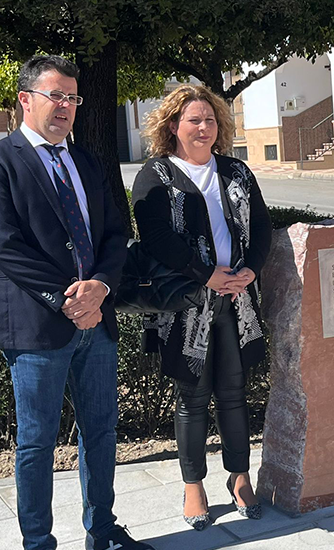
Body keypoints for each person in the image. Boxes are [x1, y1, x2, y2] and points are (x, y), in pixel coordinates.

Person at [0, 55, 150, 550]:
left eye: (73, 97)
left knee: (101, 432)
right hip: (36, 326)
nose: (66, 106)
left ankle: (104, 532)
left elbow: (115, 231)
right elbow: (3, 245)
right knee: (36, 443)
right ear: (26, 100)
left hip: (98, 320)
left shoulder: (86, 160)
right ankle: (37, 542)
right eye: (56, 95)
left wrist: (102, 287)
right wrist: (66, 298)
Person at [133, 84, 273, 528]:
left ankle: (239, 477)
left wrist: (250, 268)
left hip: (236, 300)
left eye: (210, 120)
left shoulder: (235, 171)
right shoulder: (155, 174)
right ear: (173, 126)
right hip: (185, 305)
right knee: (191, 397)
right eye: (194, 120)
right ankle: (194, 487)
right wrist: (204, 274)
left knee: (234, 393)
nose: (204, 127)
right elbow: (156, 237)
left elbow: (264, 225)